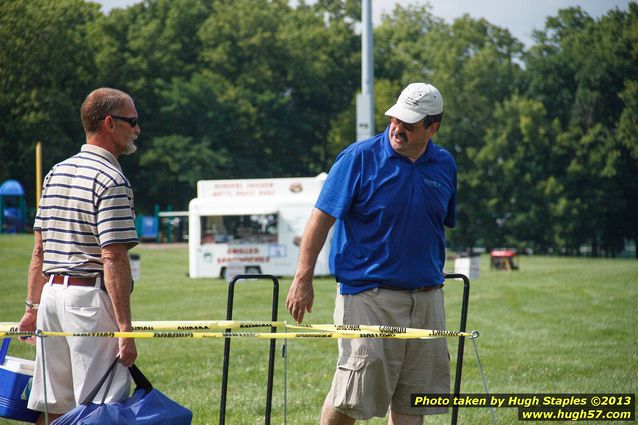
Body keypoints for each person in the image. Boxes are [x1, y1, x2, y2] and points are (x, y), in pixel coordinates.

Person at [286, 82, 456, 425]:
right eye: (395, 119)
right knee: (352, 395)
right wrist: (302, 278)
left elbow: (438, 225)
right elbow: (320, 219)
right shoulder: (359, 157)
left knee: (414, 401)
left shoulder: (445, 164)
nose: (398, 128)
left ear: (432, 128)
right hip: (367, 296)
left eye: (409, 124)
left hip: (427, 298)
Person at [17, 88, 141, 424]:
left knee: (54, 407)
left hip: (51, 300)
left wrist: (32, 307)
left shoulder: (55, 173)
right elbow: (113, 257)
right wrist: (126, 329)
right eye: (132, 121)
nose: (137, 129)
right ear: (109, 123)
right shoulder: (112, 179)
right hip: (87, 301)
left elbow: (39, 250)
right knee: (102, 406)